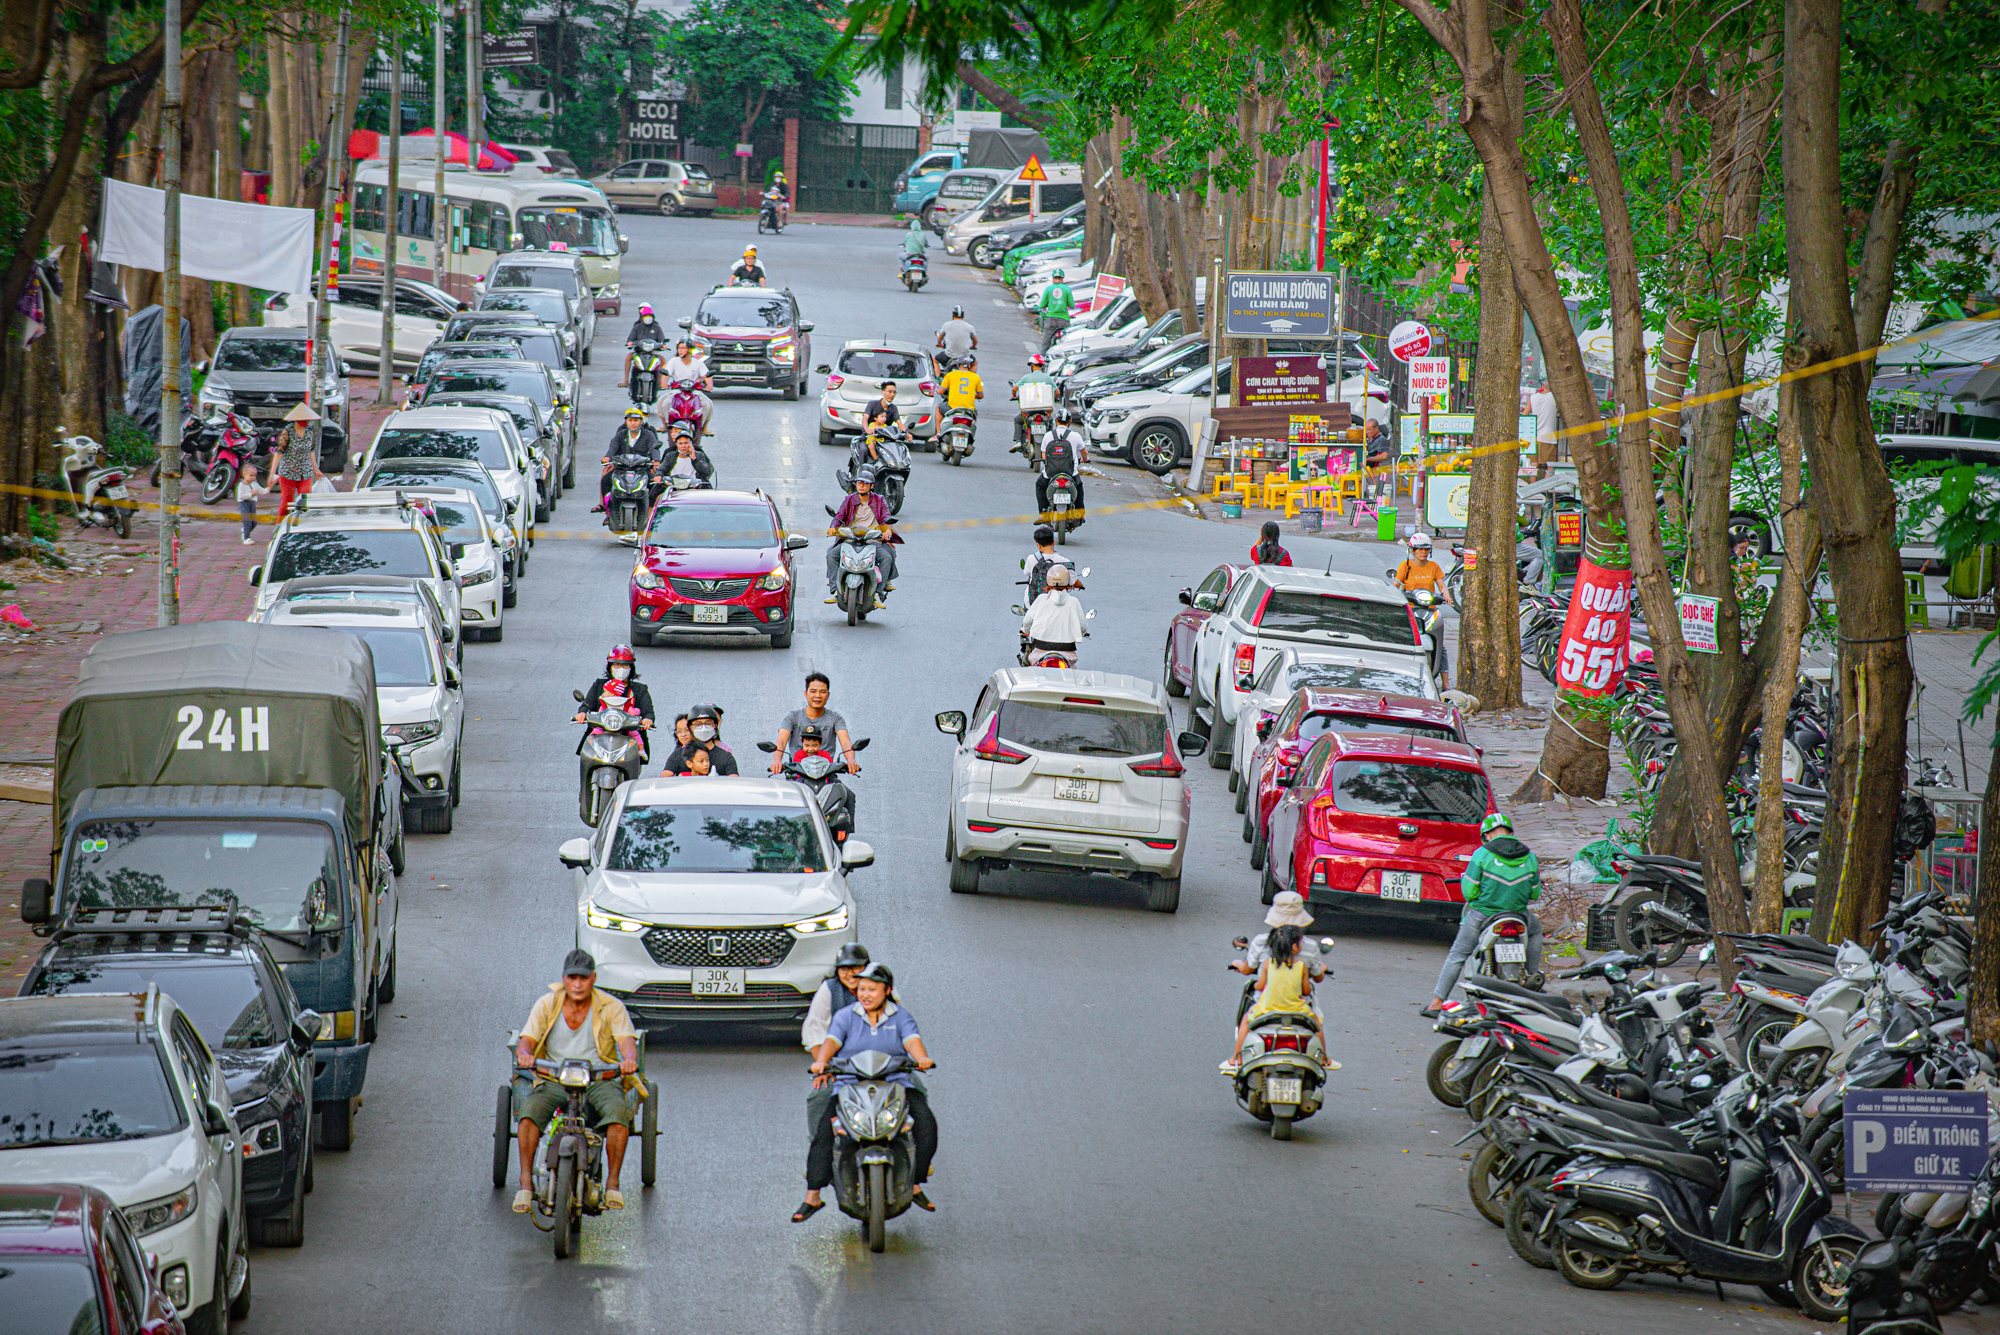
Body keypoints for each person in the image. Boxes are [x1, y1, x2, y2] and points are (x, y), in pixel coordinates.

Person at [796, 961, 936, 1221]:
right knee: (824, 1133)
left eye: (872, 989)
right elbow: (832, 1041)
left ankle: (915, 1183)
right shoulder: (846, 1016)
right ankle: (812, 1195)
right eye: (862, 989)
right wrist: (821, 1061)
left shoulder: (901, 1016)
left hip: (896, 1082)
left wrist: (922, 1058)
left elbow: (912, 1041)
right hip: (849, 1084)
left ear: (887, 990)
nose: (865, 995)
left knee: (926, 1125)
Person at [512, 949, 641, 1213]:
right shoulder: (547, 1004)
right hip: (555, 1078)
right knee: (529, 1115)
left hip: (598, 1080)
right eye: (572, 978)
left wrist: (628, 1059)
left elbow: (627, 1042)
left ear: (593, 979)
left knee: (619, 1116)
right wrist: (524, 1055)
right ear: (564, 979)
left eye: (583, 978)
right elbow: (527, 1040)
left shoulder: (611, 1006)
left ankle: (613, 1183)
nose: (578, 984)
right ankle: (526, 1183)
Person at [1424, 814, 1544, 1015]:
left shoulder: (1482, 854)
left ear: (1487, 835)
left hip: (1484, 915)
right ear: (1510, 833)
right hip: (1518, 915)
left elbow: (1469, 893)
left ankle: (1437, 1003)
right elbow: (1535, 893)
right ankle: (1533, 977)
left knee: (1458, 954)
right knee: (1536, 931)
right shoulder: (1529, 856)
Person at [1222, 924, 1316, 1072]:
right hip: (1297, 1009)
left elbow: (1260, 986)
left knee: (1246, 1020)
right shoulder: (1302, 967)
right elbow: (1306, 990)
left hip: (1268, 1008)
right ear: (1294, 948)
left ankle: (1236, 1058)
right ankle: (1323, 1057)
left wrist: (1256, 986)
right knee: (1316, 1022)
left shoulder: (1268, 964)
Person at [825, 467, 899, 606]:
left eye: (865, 483)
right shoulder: (849, 500)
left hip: (872, 540)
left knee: (887, 557)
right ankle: (835, 590)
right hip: (850, 539)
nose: (861, 485)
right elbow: (839, 517)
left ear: (871, 486)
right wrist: (832, 527)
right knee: (831, 554)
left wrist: (887, 530)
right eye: (859, 482)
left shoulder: (879, 500)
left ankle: (878, 593)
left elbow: (886, 518)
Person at [573, 644, 655, 759]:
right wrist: (582, 713)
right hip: (600, 732)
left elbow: (648, 711)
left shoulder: (640, 689)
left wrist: (647, 720)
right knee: (586, 754)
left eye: (625, 665)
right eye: (616, 664)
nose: (621, 668)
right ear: (610, 666)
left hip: (629, 736)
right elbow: (587, 704)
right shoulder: (599, 685)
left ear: (631, 668)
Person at [772, 671, 860, 774]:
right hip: (798, 774)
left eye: (822, 692)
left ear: (828, 695)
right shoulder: (792, 717)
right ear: (806, 694)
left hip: (826, 775)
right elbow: (781, 741)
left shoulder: (836, 718)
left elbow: (845, 742)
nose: (817, 695)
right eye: (813, 691)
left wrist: (851, 760)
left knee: (840, 790)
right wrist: (777, 761)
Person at [1232, 892, 1326, 982]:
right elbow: (1318, 978)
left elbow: (1247, 970)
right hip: (1299, 998)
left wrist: (1238, 964)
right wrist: (1322, 968)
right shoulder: (1310, 946)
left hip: (1266, 998)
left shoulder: (1261, 941)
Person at [595, 408, 662, 512]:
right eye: (630, 420)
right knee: (605, 480)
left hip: (642, 469)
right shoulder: (620, 434)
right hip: (621, 468)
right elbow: (613, 448)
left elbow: (654, 448)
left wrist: (656, 460)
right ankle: (606, 510)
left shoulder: (649, 435)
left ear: (641, 421)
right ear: (626, 422)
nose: (633, 423)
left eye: (636, 420)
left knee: (656, 485)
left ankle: (651, 512)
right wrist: (607, 457)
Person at [1020, 564, 1087, 661]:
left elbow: (1027, 621)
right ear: (1067, 582)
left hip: (1040, 650)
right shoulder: (1073, 602)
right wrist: (1083, 632)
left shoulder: (1041, 599)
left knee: (1031, 668)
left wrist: (1025, 630)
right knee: (1071, 674)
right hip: (1067, 652)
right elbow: (1082, 625)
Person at [1034, 406, 1087, 523]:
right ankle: (1079, 513)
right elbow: (1084, 453)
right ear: (1070, 422)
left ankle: (1043, 514)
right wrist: (1085, 459)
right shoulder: (1076, 436)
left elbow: (1043, 456)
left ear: (1056, 420)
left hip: (1050, 473)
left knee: (1040, 485)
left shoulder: (1048, 435)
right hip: (1070, 472)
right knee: (1079, 487)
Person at [271, 401, 320, 519]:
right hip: (288, 472)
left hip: (306, 471)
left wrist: (316, 470)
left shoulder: (310, 431)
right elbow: (279, 453)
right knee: (287, 502)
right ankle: (280, 525)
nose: (306, 422)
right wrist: (272, 474)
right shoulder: (288, 431)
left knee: (305, 501)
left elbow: (311, 451)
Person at [664, 702, 739, 775]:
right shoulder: (678, 755)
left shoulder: (726, 757)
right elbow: (663, 781)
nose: (703, 728)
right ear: (691, 727)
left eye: (708, 723)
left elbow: (734, 783)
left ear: (715, 726)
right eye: (698, 724)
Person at [662, 338, 714, 435]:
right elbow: (667, 373)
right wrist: (664, 383)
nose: (680, 350)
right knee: (664, 403)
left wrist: (709, 385)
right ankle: (665, 425)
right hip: (677, 391)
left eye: (682, 348)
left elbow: (705, 375)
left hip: (694, 391)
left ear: (690, 349)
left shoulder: (698, 363)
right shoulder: (674, 361)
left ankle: (703, 427)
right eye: (678, 348)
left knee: (708, 404)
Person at [1011, 353, 1056, 457]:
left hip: (1029, 410)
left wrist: (1014, 395)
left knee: (1018, 420)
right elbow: (1057, 391)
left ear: (1032, 365)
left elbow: (1014, 388)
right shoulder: (1047, 378)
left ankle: (1018, 441)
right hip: (1044, 410)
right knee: (1050, 422)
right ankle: (1050, 442)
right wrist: (1053, 397)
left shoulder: (1026, 378)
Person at [1023, 525, 1074, 602]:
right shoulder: (1065, 561)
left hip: (1033, 603)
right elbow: (1072, 581)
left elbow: (1026, 572)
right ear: (1053, 542)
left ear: (1038, 545)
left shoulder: (1031, 559)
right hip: (1057, 603)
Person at [1393, 533, 1448, 602]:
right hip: (1411, 605)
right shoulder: (1405, 565)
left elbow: (1442, 586)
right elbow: (1396, 585)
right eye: (1420, 549)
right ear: (1413, 550)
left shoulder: (1434, 566)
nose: (1424, 552)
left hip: (1429, 604)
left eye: (1426, 549)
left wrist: (1446, 595)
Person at [940, 354, 982, 439]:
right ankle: (971, 435)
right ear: (969, 365)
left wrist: (937, 390)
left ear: (958, 364)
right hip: (969, 409)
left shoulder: (950, 375)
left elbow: (940, 391)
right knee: (974, 416)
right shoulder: (976, 377)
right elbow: (980, 395)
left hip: (952, 407)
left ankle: (938, 433)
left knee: (938, 408)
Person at [623, 303, 669, 382]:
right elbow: (631, 338)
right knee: (628, 357)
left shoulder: (657, 327)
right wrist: (630, 343)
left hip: (653, 351)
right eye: (646, 316)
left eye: (649, 316)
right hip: (639, 351)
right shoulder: (637, 326)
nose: (648, 318)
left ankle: (661, 382)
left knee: (662, 359)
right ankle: (626, 380)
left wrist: (663, 345)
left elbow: (661, 338)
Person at [1036, 268, 1075, 353]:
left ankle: (1041, 363)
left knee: (1045, 344)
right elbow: (1072, 305)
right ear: (1062, 278)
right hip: (1064, 320)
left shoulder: (1048, 289)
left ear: (1053, 278)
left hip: (1050, 320)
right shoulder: (1067, 289)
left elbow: (1042, 305)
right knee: (1065, 343)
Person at [236, 466, 269, 545]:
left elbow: (262, 491)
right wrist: (251, 494)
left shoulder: (255, 484)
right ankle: (247, 538)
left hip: (252, 503)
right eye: (251, 476)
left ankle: (245, 530)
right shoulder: (241, 485)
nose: (253, 478)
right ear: (244, 474)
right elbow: (241, 496)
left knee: (254, 522)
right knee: (247, 520)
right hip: (244, 503)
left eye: (255, 476)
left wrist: (269, 487)